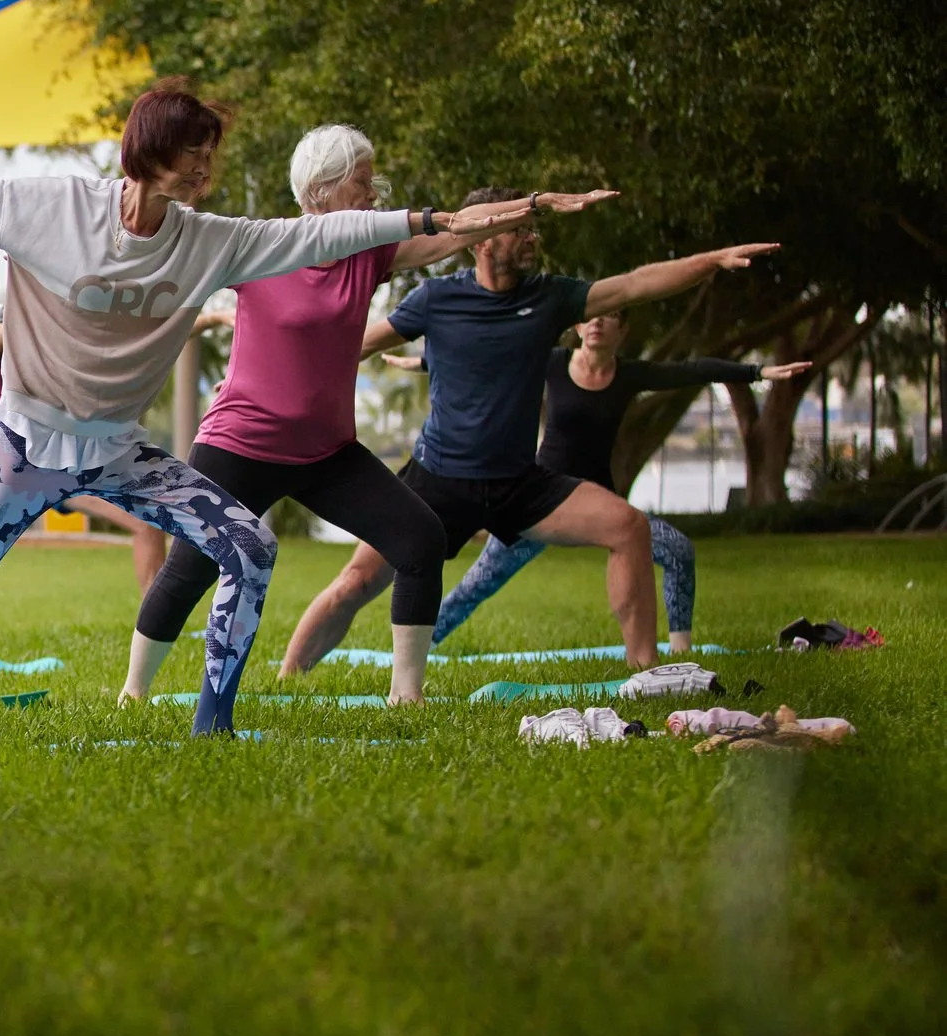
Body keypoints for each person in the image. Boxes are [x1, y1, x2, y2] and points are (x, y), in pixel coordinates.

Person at [0, 79, 523, 744]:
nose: (210, 169)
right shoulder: (52, 210)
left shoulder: (210, 242)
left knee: (248, 544)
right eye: (199, 155)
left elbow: (321, 231)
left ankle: (211, 727)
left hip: (117, 451)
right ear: (155, 156)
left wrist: (432, 222)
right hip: (22, 448)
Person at [125, 126, 614, 703]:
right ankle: (133, 693)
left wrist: (531, 207)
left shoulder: (369, 252)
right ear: (325, 189)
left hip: (326, 453)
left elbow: (459, 228)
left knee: (419, 540)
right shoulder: (259, 247)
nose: (374, 193)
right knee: (190, 567)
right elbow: (160, 260)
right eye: (363, 181)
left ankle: (406, 695)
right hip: (241, 444)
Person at [279, 189, 780, 674]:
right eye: (520, 230)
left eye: (531, 230)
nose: (531, 240)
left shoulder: (550, 297)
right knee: (356, 582)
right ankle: (287, 680)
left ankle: (645, 669)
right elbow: (359, 345)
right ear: (482, 239)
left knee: (628, 527)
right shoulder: (436, 297)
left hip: (519, 482)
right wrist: (290, 378)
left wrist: (710, 260)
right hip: (437, 482)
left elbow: (633, 285)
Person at [407, 310, 809, 651]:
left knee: (678, 550)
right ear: (578, 328)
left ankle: (679, 651)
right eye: (590, 317)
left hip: (600, 505)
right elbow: (490, 360)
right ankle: (414, 651)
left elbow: (691, 371)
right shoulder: (551, 361)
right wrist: (427, 362)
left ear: (623, 331)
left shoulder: (629, 375)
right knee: (476, 586)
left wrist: (757, 370)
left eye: (610, 317)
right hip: (535, 501)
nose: (598, 323)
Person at [0, 313, 231, 601]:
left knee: (144, 525)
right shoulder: (13, 326)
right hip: (27, 464)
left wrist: (214, 318)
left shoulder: (86, 322)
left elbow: (156, 334)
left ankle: (153, 618)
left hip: (81, 464)